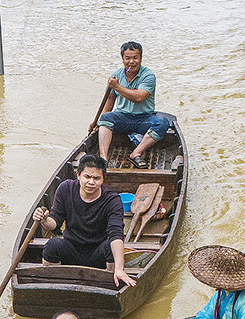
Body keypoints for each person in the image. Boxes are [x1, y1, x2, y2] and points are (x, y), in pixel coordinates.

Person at [35, 152, 135, 291]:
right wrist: (44, 220)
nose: (91, 182)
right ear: (78, 175)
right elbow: (54, 223)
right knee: (52, 245)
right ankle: (54, 286)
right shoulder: (66, 189)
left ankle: (109, 285)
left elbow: (116, 234)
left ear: (103, 180)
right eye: (87, 176)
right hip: (71, 249)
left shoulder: (112, 200)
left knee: (111, 248)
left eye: (96, 178)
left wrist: (120, 268)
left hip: (98, 253)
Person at [94, 41, 172, 169]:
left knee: (162, 122)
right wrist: (97, 123)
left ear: (140, 58)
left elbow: (139, 97)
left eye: (135, 58)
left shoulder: (148, 76)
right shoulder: (116, 75)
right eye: (127, 58)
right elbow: (109, 103)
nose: (131, 62)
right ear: (122, 59)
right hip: (123, 117)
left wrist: (117, 87)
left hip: (144, 118)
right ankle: (103, 158)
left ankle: (136, 152)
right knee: (106, 118)